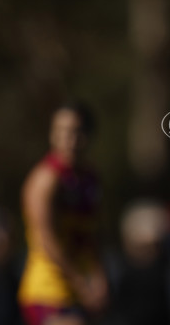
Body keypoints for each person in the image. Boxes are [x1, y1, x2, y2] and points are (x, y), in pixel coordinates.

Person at [17, 102, 108, 325]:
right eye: (62, 131)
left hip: (79, 292)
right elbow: (46, 239)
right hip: (46, 291)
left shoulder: (89, 179)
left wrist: (99, 278)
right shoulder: (45, 179)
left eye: (76, 131)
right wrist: (82, 283)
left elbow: (90, 236)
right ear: (52, 135)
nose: (70, 139)